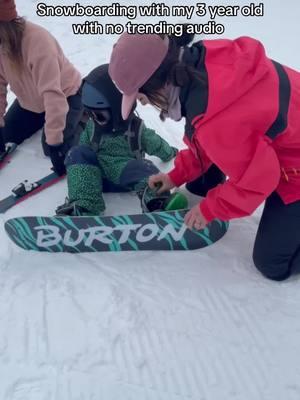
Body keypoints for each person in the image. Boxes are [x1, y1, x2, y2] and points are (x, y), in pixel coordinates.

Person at [108, 31, 300, 281]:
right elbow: (214, 134)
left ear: (158, 85)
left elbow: (260, 179)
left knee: (272, 263)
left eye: (142, 97)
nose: (144, 104)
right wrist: (176, 176)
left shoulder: (218, 122)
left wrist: (211, 209)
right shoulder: (203, 64)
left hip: (294, 172)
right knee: (215, 161)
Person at [56, 64, 187, 216]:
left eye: (99, 115)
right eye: (88, 114)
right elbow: (84, 154)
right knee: (77, 152)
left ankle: (158, 202)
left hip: (126, 175)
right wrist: (73, 161)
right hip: (95, 179)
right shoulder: (92, 127)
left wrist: (171, 152)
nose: (93, 120)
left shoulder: (137, 129)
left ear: (118, 108)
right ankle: (83, 206)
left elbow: (156, 144)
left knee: (145, 167)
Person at [0, 0, 83, 175]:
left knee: (55, 146)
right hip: (31, 104)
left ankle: (84, 119)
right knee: (6, 134)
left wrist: (55, 143)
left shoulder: (38, 42)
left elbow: (53, 94)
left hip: (66, 96)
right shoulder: (2, 44)